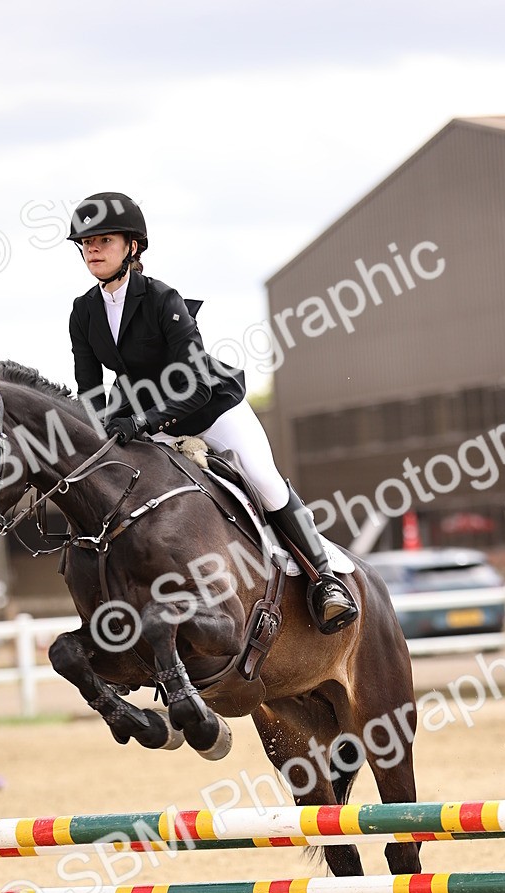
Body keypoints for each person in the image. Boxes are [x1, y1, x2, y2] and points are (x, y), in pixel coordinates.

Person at [67, 191, 358, 634]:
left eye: (103, 240)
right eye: (85, 243)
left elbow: (195, 384)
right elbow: (88, 388)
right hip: (145, 421)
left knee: (261, 477)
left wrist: (142, 423)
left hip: (208, 408)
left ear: (133, 247)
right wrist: (103, 427)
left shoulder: (165, 300)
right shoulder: (83, 311)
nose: (92, 249)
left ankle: (325, 579)